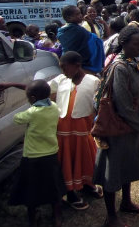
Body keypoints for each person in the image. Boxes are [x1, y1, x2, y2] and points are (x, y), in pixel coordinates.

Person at [93, 26, 139, 227]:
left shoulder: (137, 64)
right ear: (124, 44)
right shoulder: (119, 67)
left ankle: (126, 202)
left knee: (127, 165)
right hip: (118, 127)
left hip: (134, 126)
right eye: (135, 44)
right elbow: (123, 103)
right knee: (113, 171)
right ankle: (111, 217)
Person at [49, 51, 102, 210]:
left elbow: (99, 104)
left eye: (65, 68)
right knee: (67, 161)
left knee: (85, 157)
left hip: (83, 130)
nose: (63, 72)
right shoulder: (61, 80)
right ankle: (70, 193)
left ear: (77, 66)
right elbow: (41, 90)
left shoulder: (93, 81)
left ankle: (87, 184)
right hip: (64, 131)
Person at [9, 80, 66, 227]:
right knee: (54, 186)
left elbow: (16, 119)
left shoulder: (32, 113)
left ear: (33, 99)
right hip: (51, 154)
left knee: (31, 189)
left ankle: (33, 218)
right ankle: (57, 216)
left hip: (32, 157)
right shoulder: (54, 108)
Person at [57, 5, 105, 74]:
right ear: (69, 17)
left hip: (68, 64)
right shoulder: (78, 30)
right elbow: (96, 40)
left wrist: (91, 24)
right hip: (83, 66)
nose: (80, 15)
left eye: (80, 13)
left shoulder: (63, 30)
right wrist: (91, 25)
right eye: (77, 14)